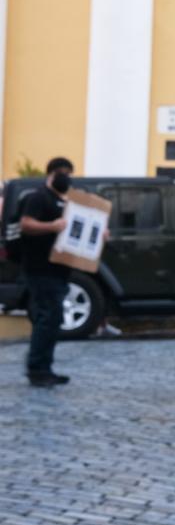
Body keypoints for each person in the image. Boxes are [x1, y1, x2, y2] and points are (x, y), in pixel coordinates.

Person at [19, 157, 74, 387]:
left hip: (58, 269)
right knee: (46, 317)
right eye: (64, 173)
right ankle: (37, 368)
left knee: (53, 319)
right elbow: (26, 224)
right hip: (40, 268)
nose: (67, 178)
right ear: (52, 174)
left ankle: (45, 367)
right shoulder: (38, 197)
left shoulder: (63, 201)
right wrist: (51, 226)